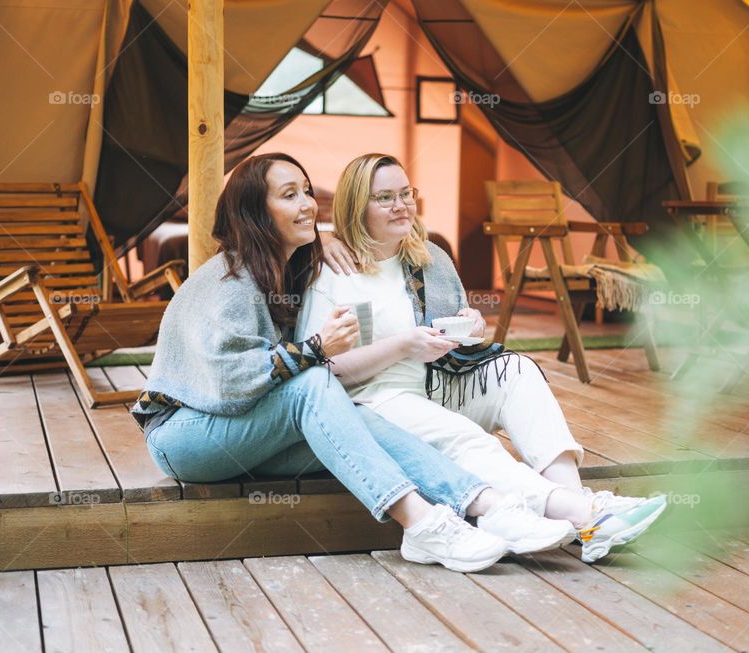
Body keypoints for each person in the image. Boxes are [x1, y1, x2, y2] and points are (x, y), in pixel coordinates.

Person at [131, 152, 578, 573]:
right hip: (188, 435)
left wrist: (326, 240)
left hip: (253, 429)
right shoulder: (229, 278)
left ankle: (489, 506)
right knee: (316, 384)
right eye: (289, 196)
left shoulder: (291, 267)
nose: (307, 204)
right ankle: (421, 523)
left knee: (362, 416)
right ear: (253, 212)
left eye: (306, 191)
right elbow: (230, 385)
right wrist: (316, 348)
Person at [299, 153, 667, 563]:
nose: (401, 205)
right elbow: (322, 371)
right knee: (467, 437)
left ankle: (583, 513)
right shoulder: (330, 272)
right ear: (356, 206)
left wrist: (470, 324)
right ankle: (585, 514)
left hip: (437, 379)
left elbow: (454, 327)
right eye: (384, 197)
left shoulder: (429, 258)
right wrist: (403, 346)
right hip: (377, 399)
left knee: (519, 371)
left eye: (406, 193)